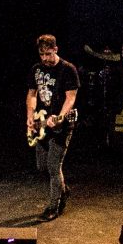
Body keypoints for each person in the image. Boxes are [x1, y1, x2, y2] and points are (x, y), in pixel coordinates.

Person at [26, 34, 80, 219]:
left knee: (53, 166)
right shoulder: (36, 69)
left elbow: (70, 98)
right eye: (41, 54)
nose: (45, 58)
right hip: (41, 122)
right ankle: (63, 190)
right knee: (41, 166)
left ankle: (53, 207)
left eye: (48, 54)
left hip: (61, 124)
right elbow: (32, 94)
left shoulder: (68, 70)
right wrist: (30, 116)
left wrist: (60, 117)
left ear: (56, 50)